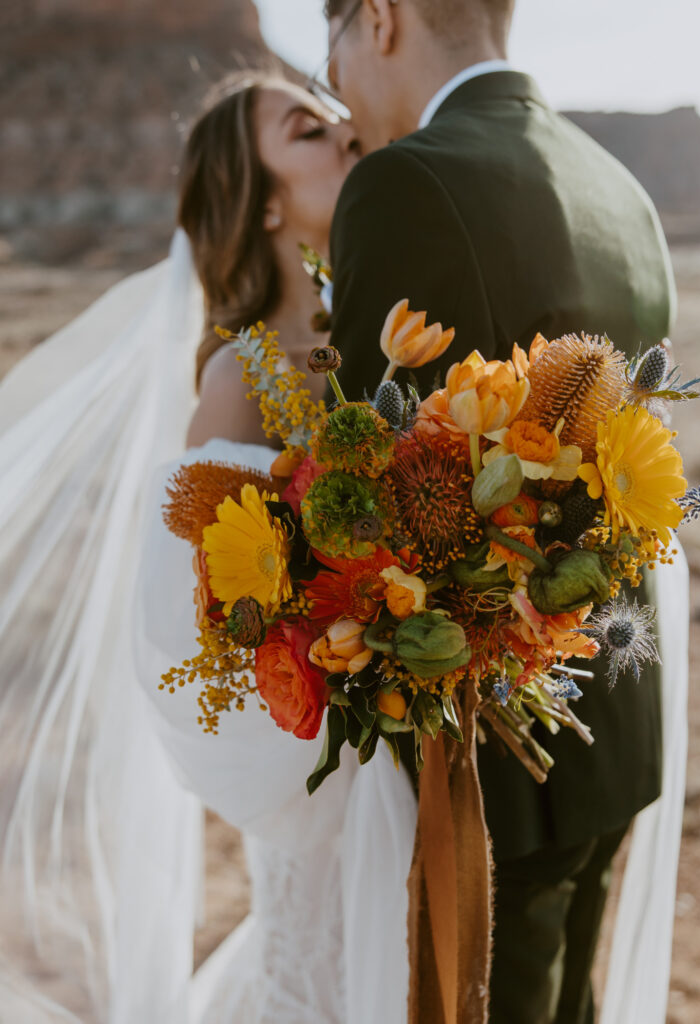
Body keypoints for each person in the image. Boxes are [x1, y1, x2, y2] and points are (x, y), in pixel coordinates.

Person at [0, 73, 417, 1024]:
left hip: (421, 752)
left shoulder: (385, 336)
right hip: (328, 773)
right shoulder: (241, 378)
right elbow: (200, 622)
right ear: (264, 199)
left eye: (347, 126)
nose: (349, 141)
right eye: (311, 131)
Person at [322, 1, 689, 1022]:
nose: (339, 85)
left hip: (493, 750)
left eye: (334, 47)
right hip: (618, 704)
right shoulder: (619, 185)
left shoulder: (405, 181)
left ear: (381, 19)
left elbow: (365, 495)